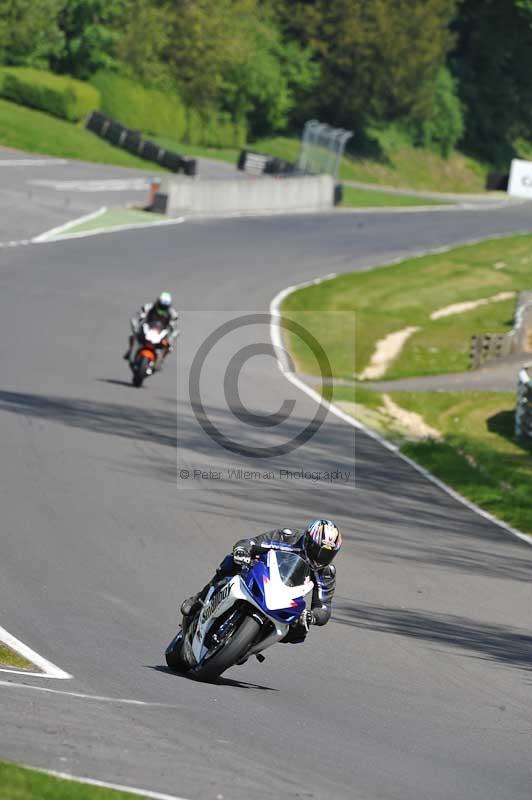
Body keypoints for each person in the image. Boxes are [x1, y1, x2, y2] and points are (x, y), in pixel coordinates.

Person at [181, 519, 342, 643]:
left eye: (327, 554)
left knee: (300, 631)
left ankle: (251, 642)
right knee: (232, 561)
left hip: (286, 597)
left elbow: (324, 608)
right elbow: (251, 543)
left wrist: (312, 616)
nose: (320, 557)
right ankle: (200, 598)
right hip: (262, 575)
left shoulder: (326, 572)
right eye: (317, 550)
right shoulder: (288, 538)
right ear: (307, 540)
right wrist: (242, 551)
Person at [124, 292, 179, 363]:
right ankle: (130, 351)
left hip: (161, 331)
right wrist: (141, 316)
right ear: (158, 301)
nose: (162, 308)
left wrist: (173, 333)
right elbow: (141, 313)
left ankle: (161, 360)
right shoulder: (150, 306)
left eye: (164, 306)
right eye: (161, 305)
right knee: (132, 336)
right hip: (148, 327)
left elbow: (174, 325)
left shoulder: (172, 313)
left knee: (169, 347)